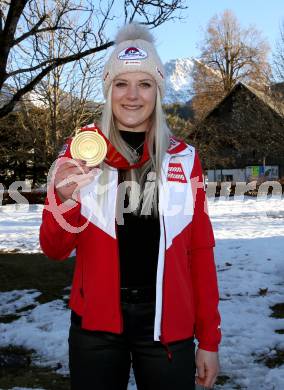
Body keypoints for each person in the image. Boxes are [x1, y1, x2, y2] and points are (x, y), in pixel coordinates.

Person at [40, 23, 221, 390]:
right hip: (96, 329)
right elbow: (54, 249)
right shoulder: (78, 154)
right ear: (109, 90)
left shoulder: (185, 160)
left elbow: (200, 254)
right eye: (121, 84)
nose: (133, 96)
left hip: (168, 328)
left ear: (158, 90)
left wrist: (210, 341)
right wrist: (65, 198)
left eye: (145, 84)